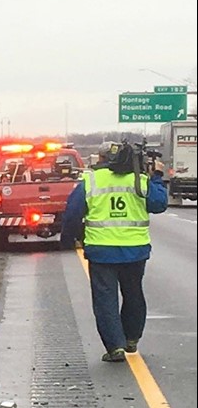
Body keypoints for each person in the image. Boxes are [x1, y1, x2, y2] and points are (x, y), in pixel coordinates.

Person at [61, 143, 167, 362]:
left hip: (101, 252)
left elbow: (72, 213)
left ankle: (114, 347)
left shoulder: (91, 181)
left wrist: (69, 239)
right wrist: (156, 175)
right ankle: (131, 338)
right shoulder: (140, 180)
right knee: (133, 294)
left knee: (105, 299)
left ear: (101, 158)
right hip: (135, 251)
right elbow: (159, 204)